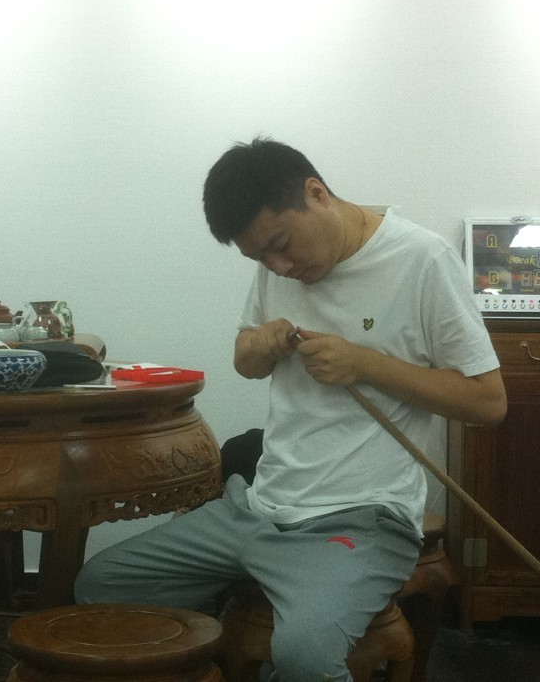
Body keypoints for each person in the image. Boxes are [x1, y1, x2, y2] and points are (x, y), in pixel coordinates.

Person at [75, 138, 507, 681]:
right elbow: (245, 360)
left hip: (362, 518)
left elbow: (488, 401)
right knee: (104, 585)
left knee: (304, 655)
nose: (278, 267)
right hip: (260, 506)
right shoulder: (279, 267)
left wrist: (366, 365)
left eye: (280, 245)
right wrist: (259, 345)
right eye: (259, 258)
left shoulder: (422, 260)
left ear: (316, 193)